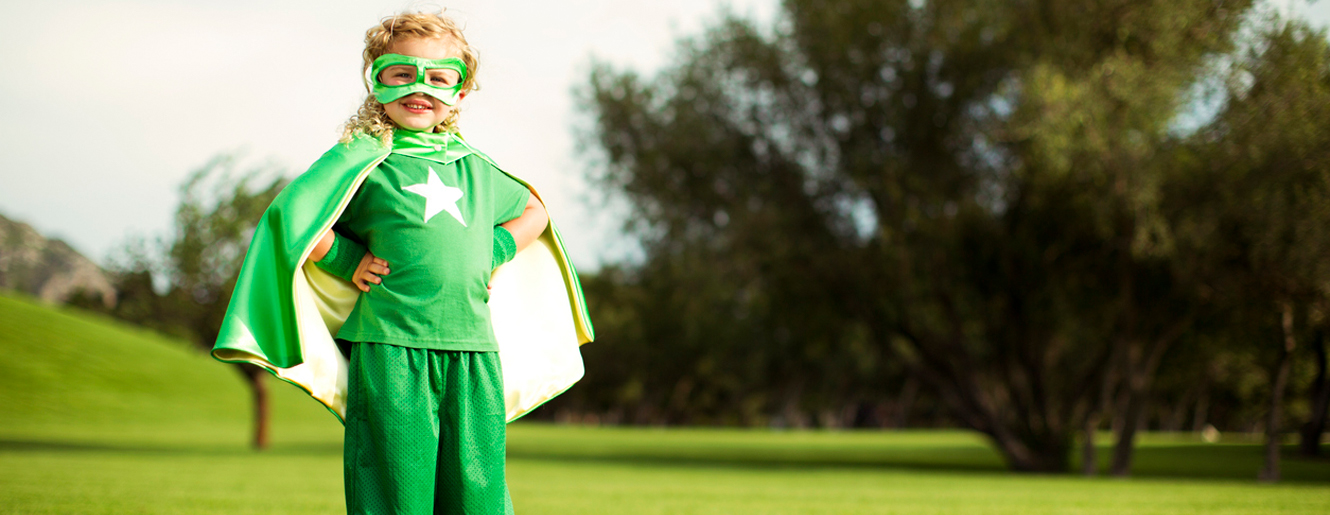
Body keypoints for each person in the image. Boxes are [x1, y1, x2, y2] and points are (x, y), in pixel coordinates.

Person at [211, 10, 594, 515]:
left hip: (475, 352)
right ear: (376, 80)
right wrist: (348, 259)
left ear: (460, 92)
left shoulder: (476, 168)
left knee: (478, 495)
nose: (421, 88)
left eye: (439, 78)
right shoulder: (363, 157)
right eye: (403, 73)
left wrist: (494, 249)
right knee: (396, 492)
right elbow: (293, 216)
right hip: (390, 348)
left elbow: (535, 211)